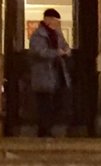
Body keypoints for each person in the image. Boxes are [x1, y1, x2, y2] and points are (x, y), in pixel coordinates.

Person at [27, 7, 72, 137]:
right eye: (54, 21)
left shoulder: (57, 34)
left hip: (56, 74)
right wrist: (57, 53)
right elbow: (40, 52)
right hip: (43, 75)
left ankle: (49, 128)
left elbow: (64, 45)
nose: (56, 24)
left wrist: (66, 50)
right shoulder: (37, 35)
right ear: (47, 20)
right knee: (44, 104)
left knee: (54, 103)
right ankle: (43, 130)